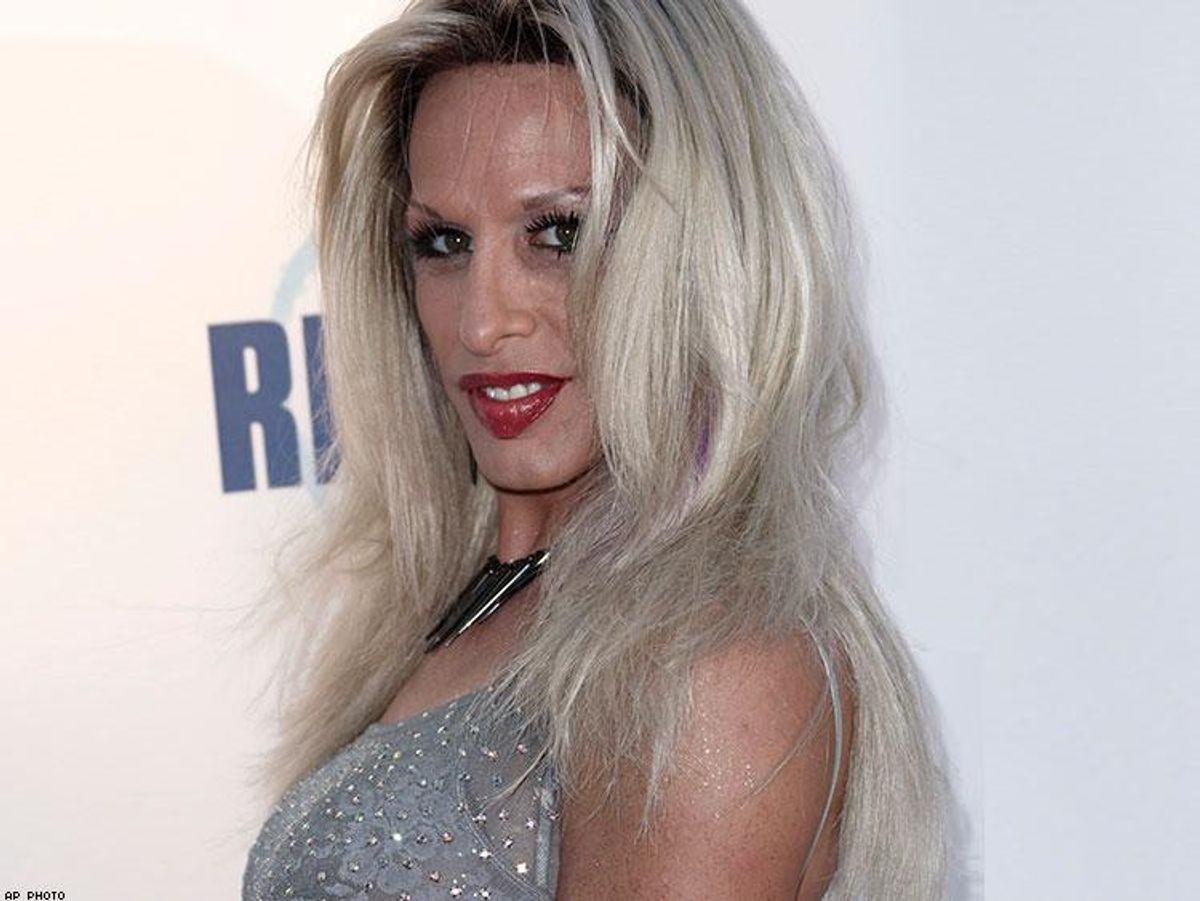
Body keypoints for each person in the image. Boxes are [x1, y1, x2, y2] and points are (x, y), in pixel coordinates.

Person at [241, 1, 952, 898]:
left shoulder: (711, 653)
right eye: (445, 242)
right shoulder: (456, 610)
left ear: (699, 249)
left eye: (559, 233)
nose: (484, 321)